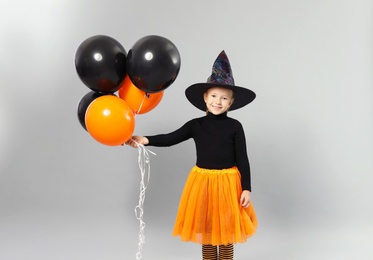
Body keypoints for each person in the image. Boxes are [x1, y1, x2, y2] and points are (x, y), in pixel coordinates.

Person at [126, 50, 258, 260]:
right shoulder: (196, 125)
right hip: (203, 182)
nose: (218, 101)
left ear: (231, 103)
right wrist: (146, 139)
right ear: (205, 98)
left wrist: (247, 188)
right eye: (213, 96)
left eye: (224, 98)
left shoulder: (235, 126)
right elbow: (172, 137)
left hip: (228, 184)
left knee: (225, 232)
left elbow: (243, 158)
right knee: (206, 231)